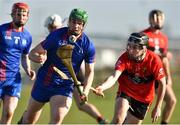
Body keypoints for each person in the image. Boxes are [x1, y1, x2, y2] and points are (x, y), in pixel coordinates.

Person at [18, 8, 98, 124]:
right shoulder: (56, 35)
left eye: (79, 23)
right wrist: (39, 57)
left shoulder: (87, 45)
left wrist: (85, 91)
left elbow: (90, 72)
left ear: (83, 25)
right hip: (45, 81)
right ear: (69, 21)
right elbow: (32, 54)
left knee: (57, 118)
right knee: (28, 120)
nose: (75, 26)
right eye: (73, 22)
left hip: (64, 86)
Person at [94, 32, 166, 124]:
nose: (130, 50)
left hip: (144, 99)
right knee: (118, 120)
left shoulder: (154, 60)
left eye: (135, 47)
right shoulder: (124, 57)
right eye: (129, 46)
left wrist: (158, 107)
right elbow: (114, 76)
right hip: (126, 91)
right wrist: (102, 87)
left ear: (144, 49)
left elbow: (162, 83)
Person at [0, 2, 35, 124]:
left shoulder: (27, 36)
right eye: (19, 14)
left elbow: (24, 57)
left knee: (9, 112)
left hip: (14, 79)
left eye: (24, 15)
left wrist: (28, 70)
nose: (22, 17)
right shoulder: (2, 30)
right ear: (13, 15)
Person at [142, 9, 176, 124]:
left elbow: (164, 59)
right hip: (146, 75)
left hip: (159, 75)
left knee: (172, 101)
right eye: (156, 18)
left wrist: (168, 77)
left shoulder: (164, 38)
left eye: (161, 18)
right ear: (150, 20)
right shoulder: (143, 35)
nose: (158, 21)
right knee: (143, 107)